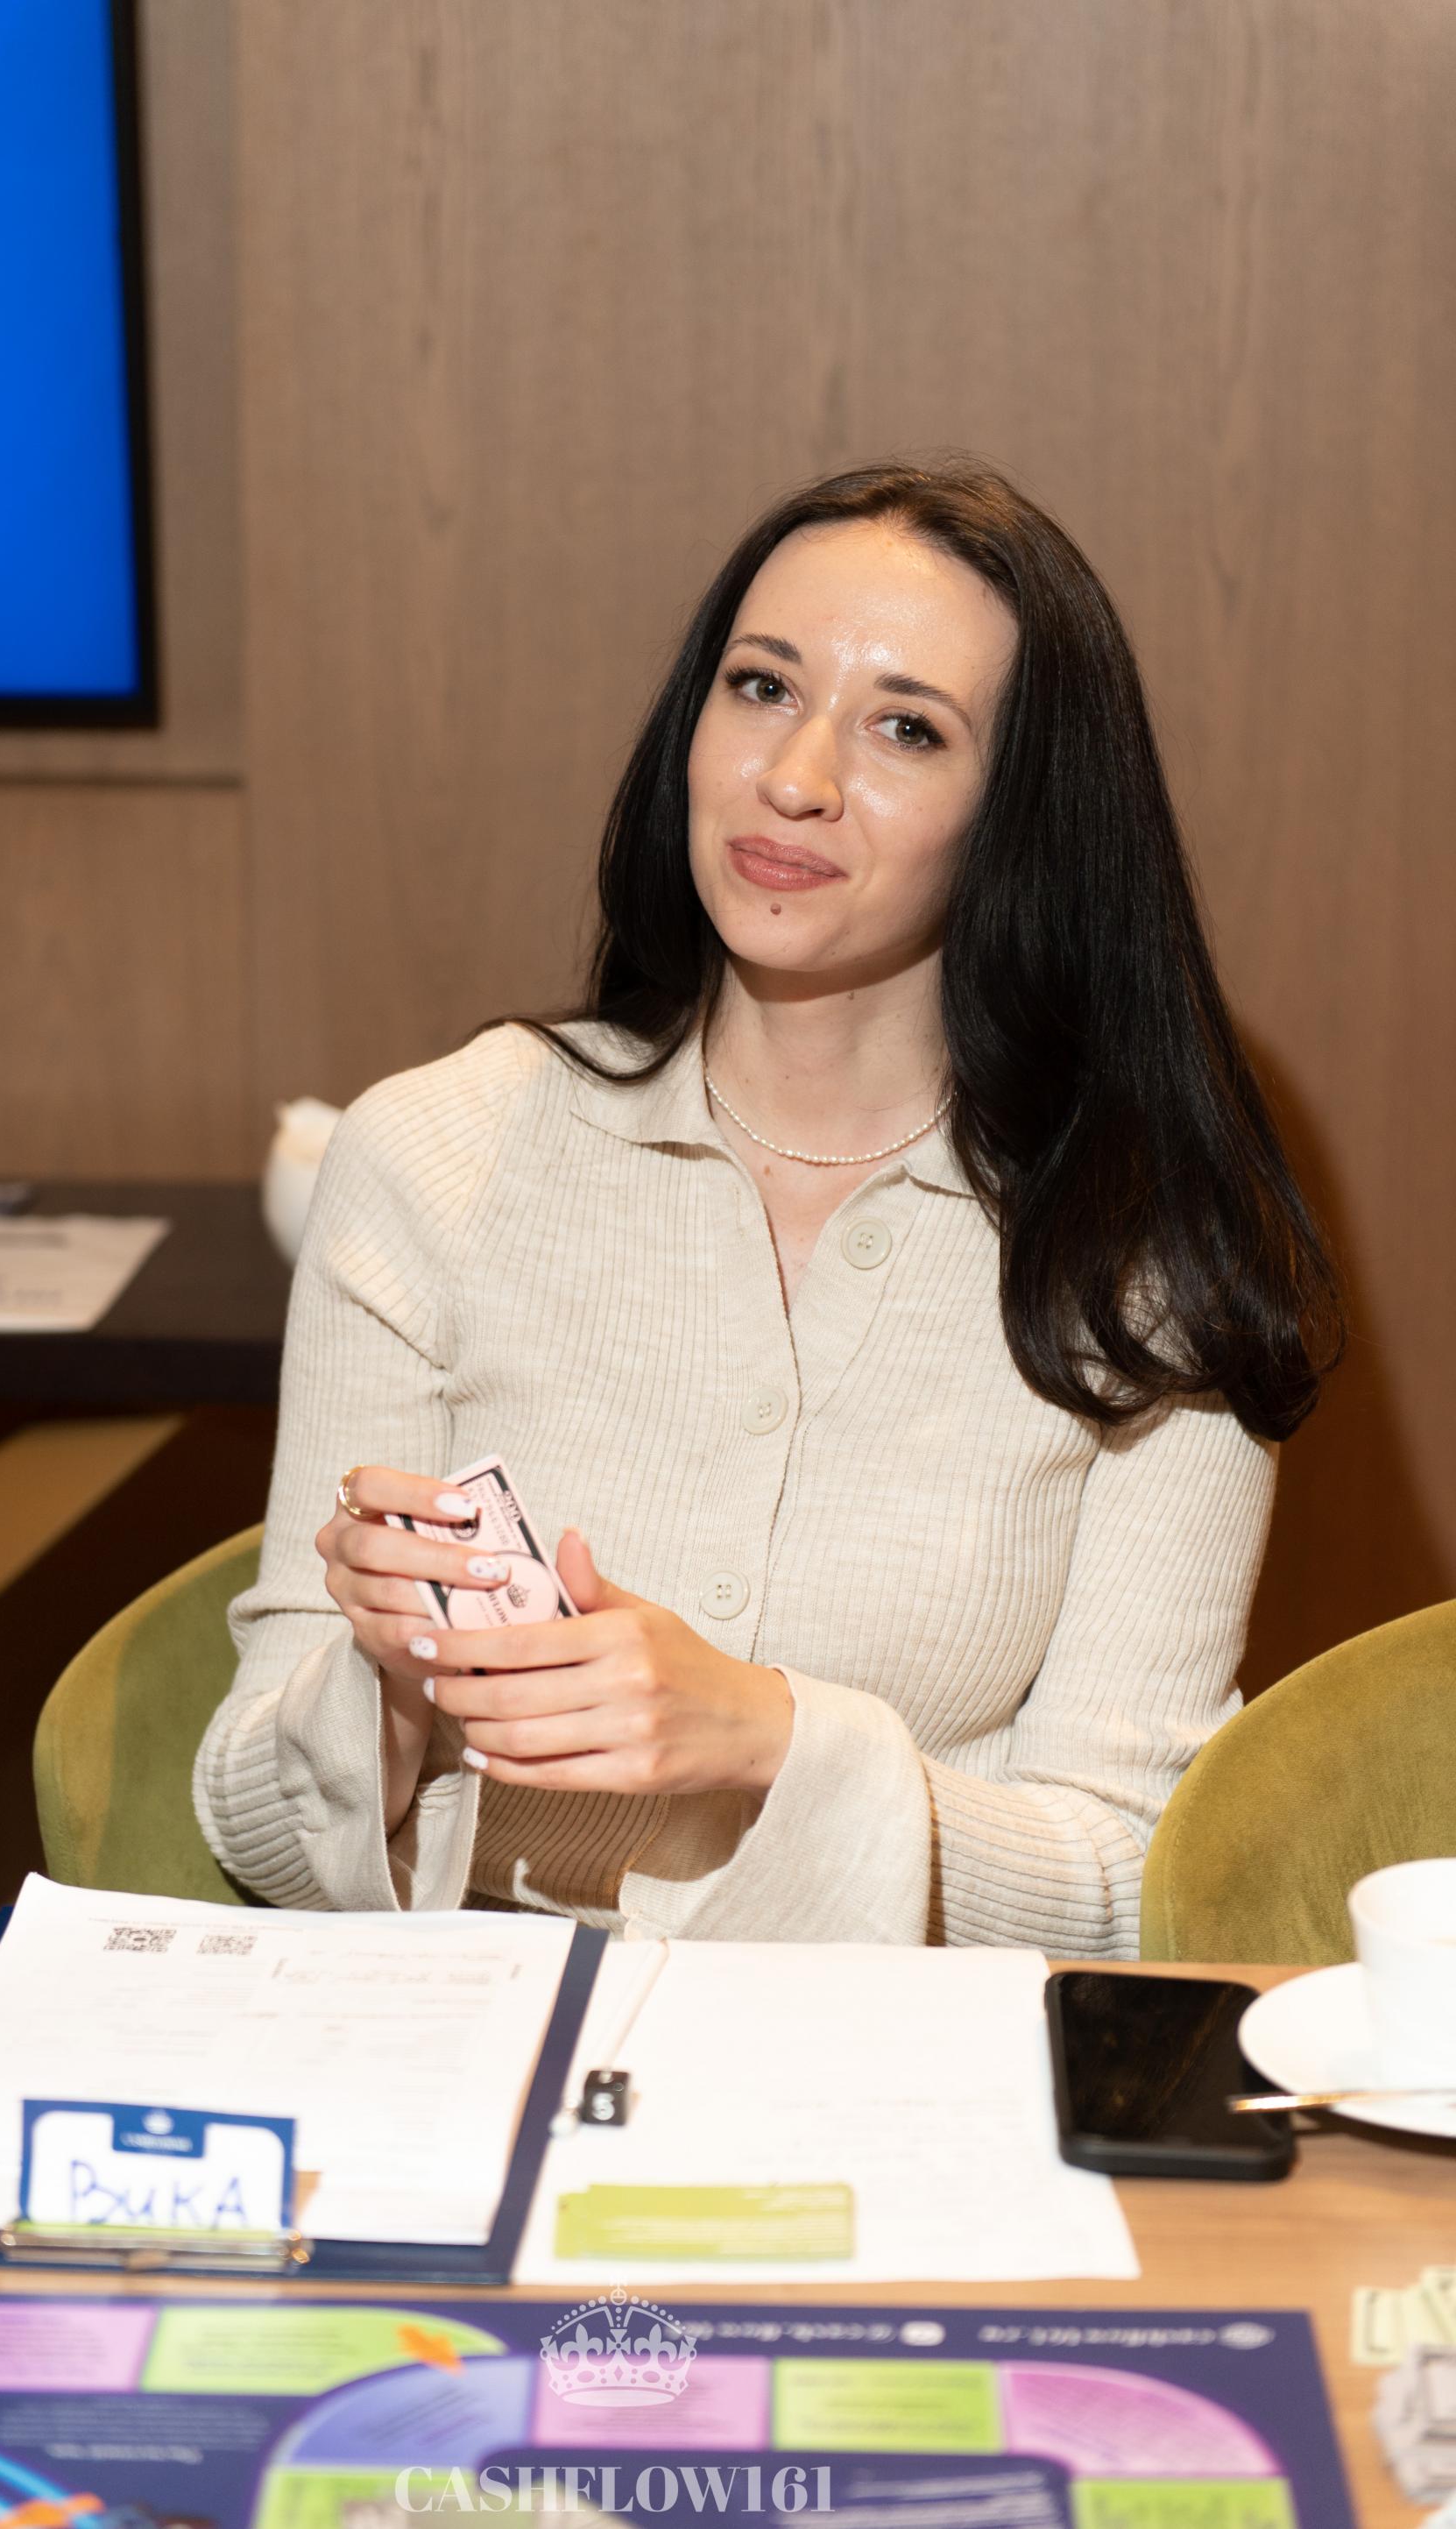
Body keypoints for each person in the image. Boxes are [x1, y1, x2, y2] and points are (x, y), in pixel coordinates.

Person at [194, 457, 1341, 1953]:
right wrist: (390, 1694)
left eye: (907, 727)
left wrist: (772, 1737)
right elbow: (249, 1817)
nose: (794, 775)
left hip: (897, 2063)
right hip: (485, 2034)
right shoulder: (434, 1152)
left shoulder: (1154, 1250)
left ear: (1021, 815)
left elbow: (1135, 1883)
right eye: (760, 687)